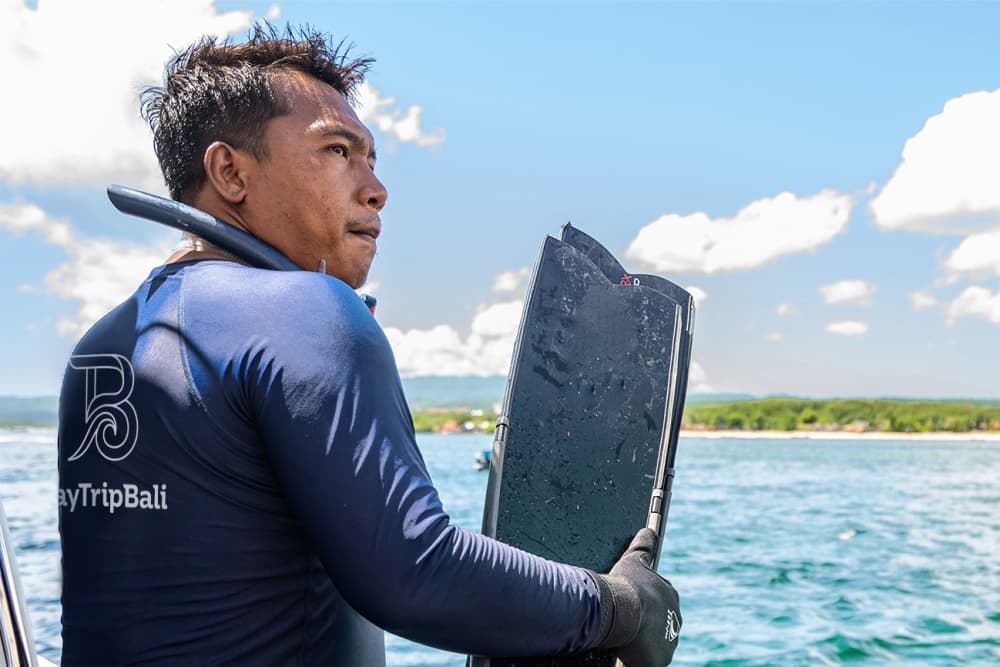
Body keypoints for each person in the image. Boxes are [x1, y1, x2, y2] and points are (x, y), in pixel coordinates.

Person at [56, 24, 681, 666]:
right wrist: (618, 607)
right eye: (336, 151)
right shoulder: (305, 310)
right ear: (229, 172)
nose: (376, 188)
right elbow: (415, 570)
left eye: (372, 158)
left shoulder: (103, 345)